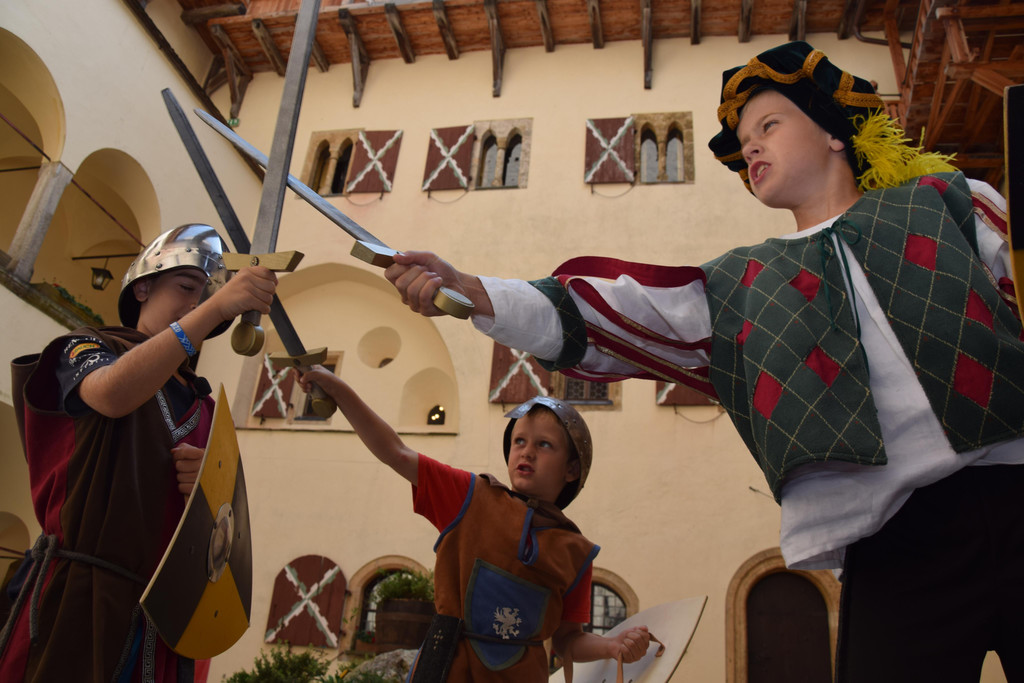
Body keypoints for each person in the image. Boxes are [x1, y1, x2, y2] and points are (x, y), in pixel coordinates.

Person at [382, 42, 1023, 682]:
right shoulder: (739, 286)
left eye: (769, 125)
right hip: (894, 544)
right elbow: (603, 311)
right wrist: (471, 289)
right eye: (744, 142)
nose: (751, 147)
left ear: (834, 132)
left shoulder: (949, 202)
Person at [0, 224, 278, 682]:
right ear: (143, 288)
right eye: (186, 287)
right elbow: (111, 394)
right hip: (76, 601)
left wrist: (207, 493)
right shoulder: (87, 346)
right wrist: (215, 308)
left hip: (163, 623)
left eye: (206, 296)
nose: (197, 302)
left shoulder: (207, 409)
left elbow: (220, 541)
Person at [297, 367, 652, 681]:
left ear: (571, 469)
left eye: (544, 444)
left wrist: (611, 646)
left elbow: (567, 640)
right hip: (445, 668)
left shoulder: (577, 552)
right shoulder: (469, 496)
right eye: (519, 441)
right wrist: (339, 391)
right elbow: (396, 452)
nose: (526, 451)